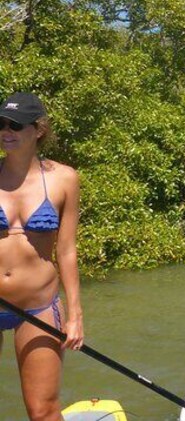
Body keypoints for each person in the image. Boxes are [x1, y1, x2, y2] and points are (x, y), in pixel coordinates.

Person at [0, 92, 83, 420]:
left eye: (16, 125)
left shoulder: (64, 179)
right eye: (2, 123)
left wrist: (75, 314)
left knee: (43, 411)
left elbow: (66, 250)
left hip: (39, 305)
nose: (7, 131)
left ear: (38, 130)